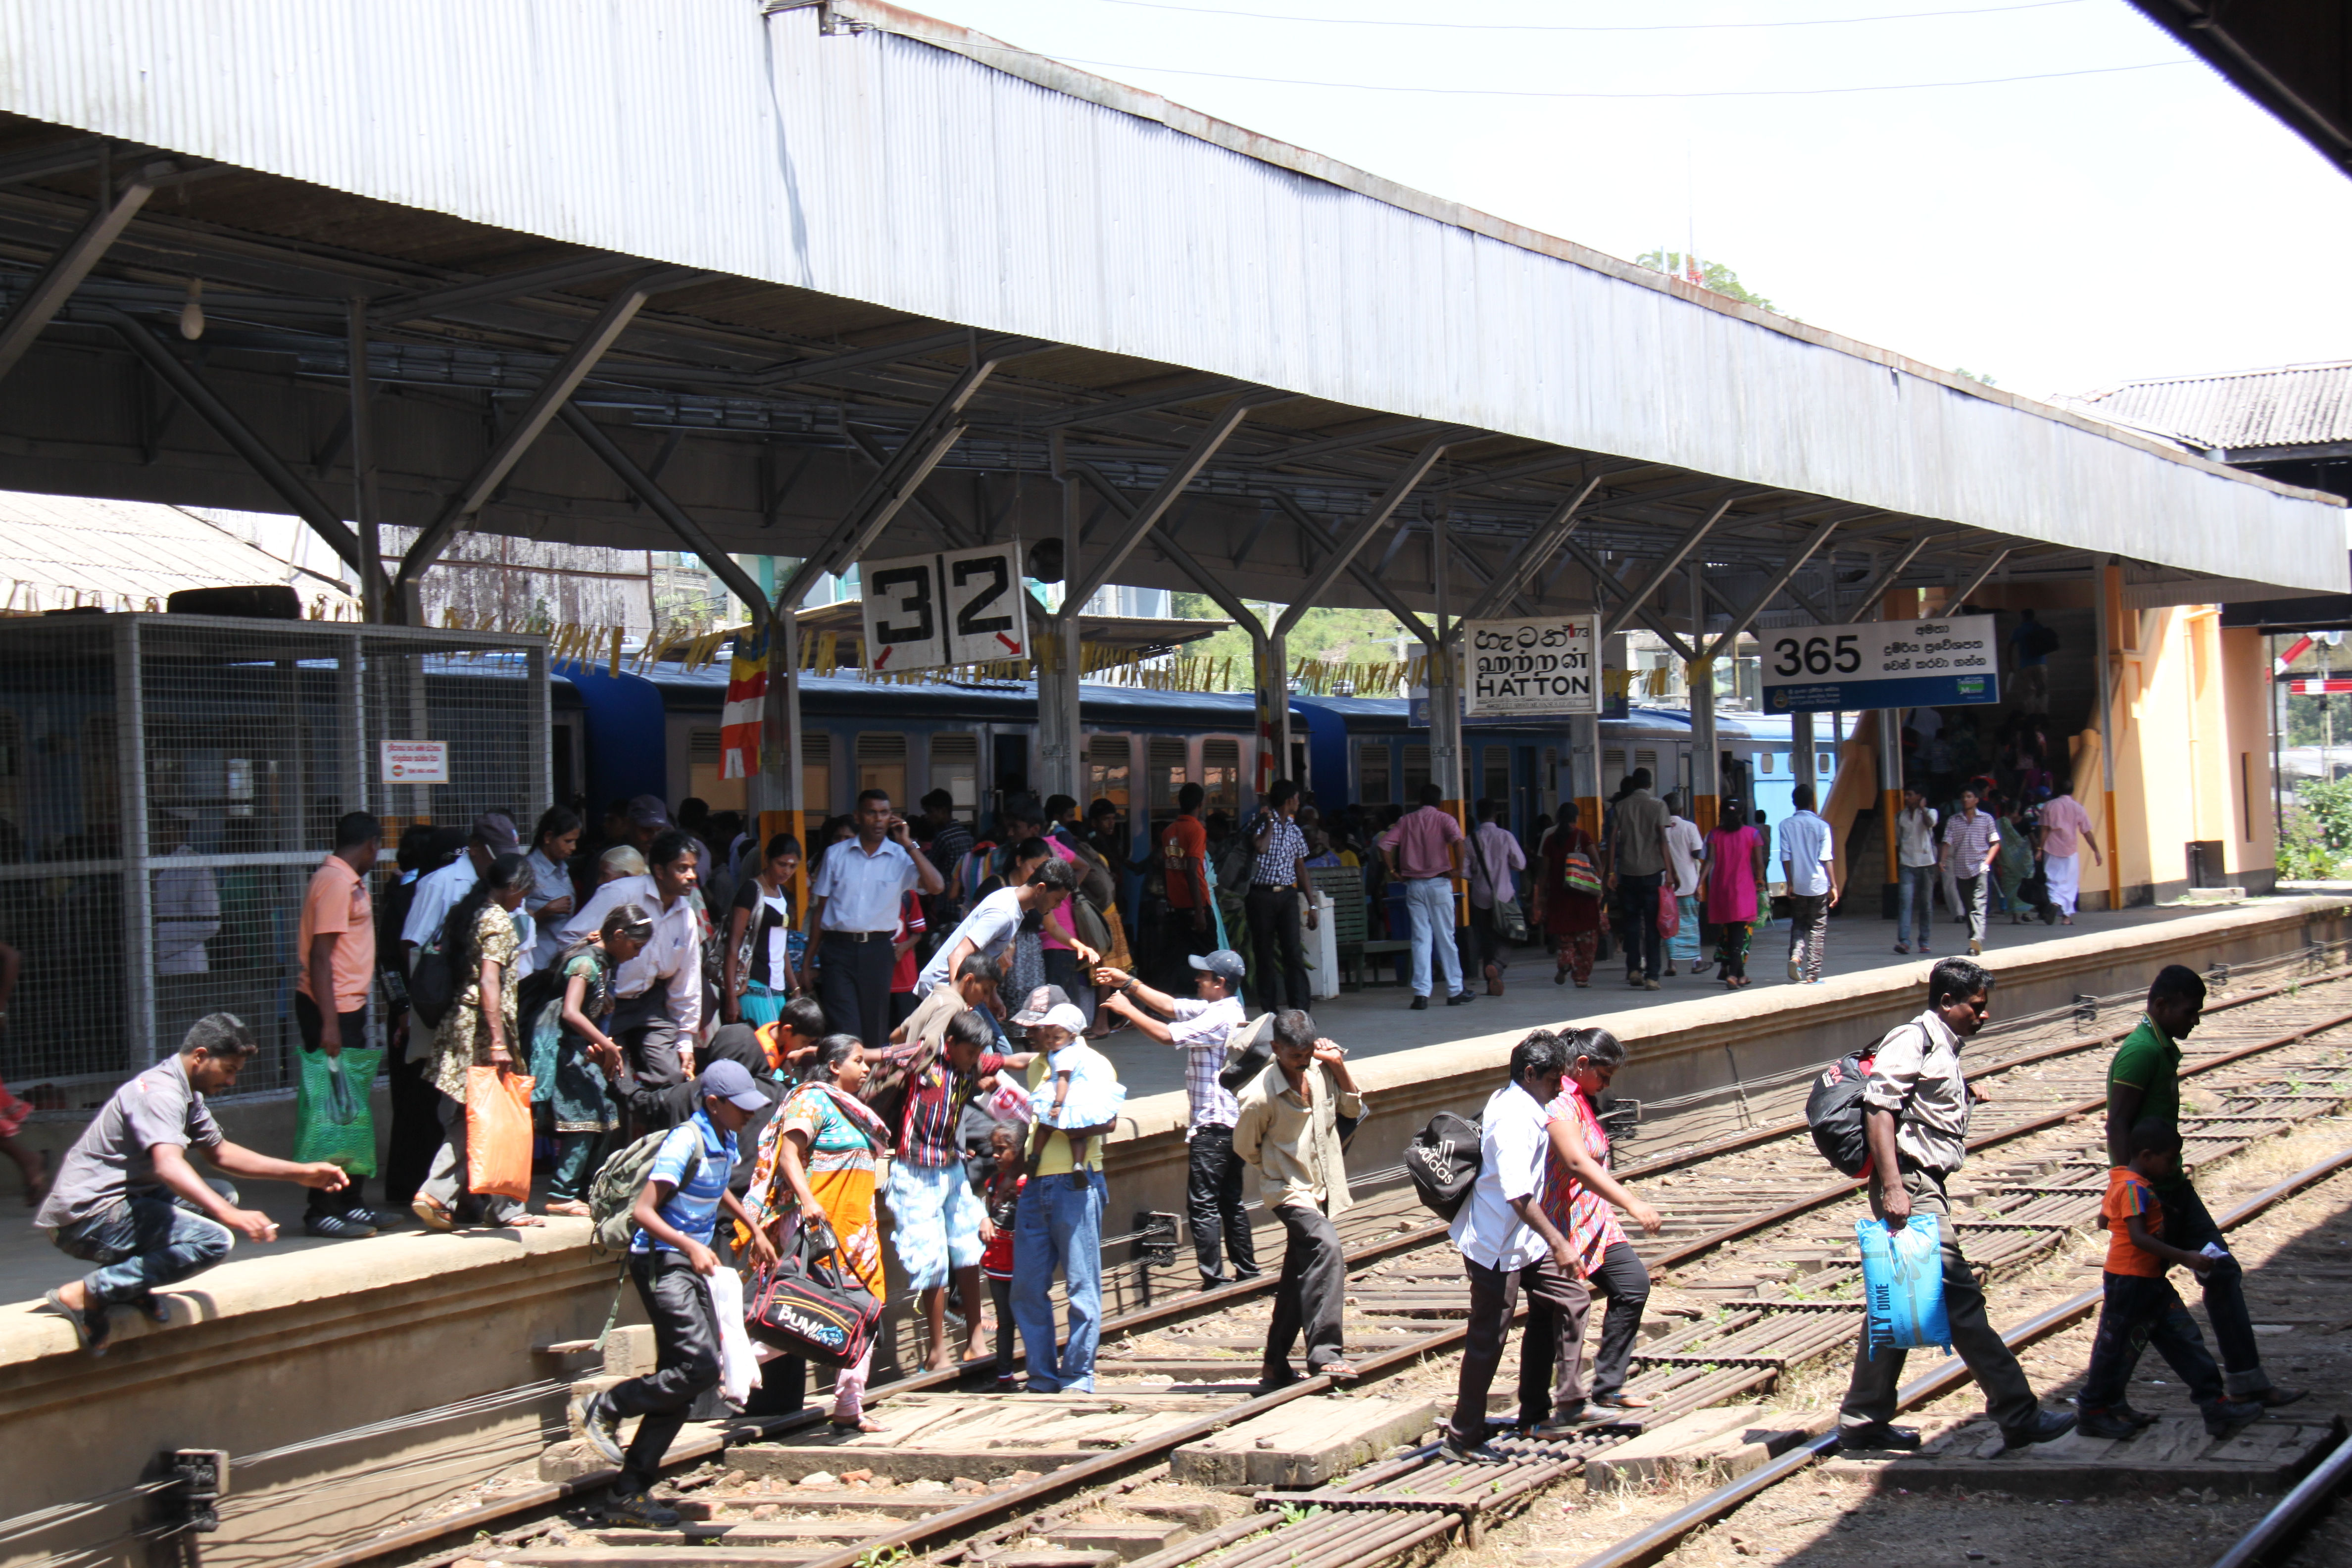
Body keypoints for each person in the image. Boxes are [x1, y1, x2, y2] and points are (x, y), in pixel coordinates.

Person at [1837, 957, 2075, 1452]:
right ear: (1947, 1002)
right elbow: (1879, 1111)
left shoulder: (1943, 1044)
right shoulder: (1913, 1038)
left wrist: (1962, 1092)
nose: (1984, 1015)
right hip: (1912, 1187)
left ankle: (1863, 1420)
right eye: (1977, 1007)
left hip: (1925, 1185)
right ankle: (2018, 1413)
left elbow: (1918, 1100)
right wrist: (1896, 1187)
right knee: (1961, 1301)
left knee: (1900, 1302)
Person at [36, 1014, 350, 1353]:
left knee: (220, 1195)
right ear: (200, 1056)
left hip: (118, 1205)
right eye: (229, 1069)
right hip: (86, 1219)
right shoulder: (160, 1093)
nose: (231, 1082)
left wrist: (300, 1173)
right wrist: (231, 1217)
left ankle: (130, 1287)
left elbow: (221, 1153)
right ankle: (88, 1294)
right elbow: (169, 1166)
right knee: (213, 1240)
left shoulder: (185, 1092)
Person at [572, 1059, 777, 1527]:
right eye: (741, 1108)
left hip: (689, 1265)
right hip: (661, 1264)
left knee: (681, 1386)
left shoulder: (724, 1138)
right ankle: (608, 1406)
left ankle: (628, 1492)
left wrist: (752, 1226)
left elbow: (719, 1187)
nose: (749, 1115)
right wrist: (689, 1245)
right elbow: (645, 1211)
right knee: (699, 1367)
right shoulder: (686, 1138)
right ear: (713, 1103)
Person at [2106, 965, 2303, 1410]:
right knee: (2138, 1298)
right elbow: (2117, 1123)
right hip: (2152, 1194)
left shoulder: (2159, 1047)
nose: (2196, 1020)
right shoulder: (2141, 1053)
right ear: (2162, 1006)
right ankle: (2102, 1399)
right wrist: (2126, 1188)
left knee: (2217, 1273)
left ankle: (2244, 1382)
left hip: (2172, 1187)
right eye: (2190, 1012)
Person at [1441, 1029, 1589, 1462]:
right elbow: (1518, 1196)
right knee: (1489, 1339)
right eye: (1553, 1079)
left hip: (1523, 1242)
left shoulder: (1525, 1104)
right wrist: (1560, 1242)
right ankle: (1462, 1436)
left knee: (1572, 1298)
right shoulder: (1514, 1119)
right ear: (1529, 1073)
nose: (1561, 1087)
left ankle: (1569, 1401)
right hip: (1496, 1247)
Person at [2076, 1121, 2261, 1440]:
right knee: (2116, 1346)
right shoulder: (2134, 1189)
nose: (2174, 1166)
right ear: (2147, 1156)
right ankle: (2092, 1410)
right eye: (2170, 1159)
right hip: (2131, 1282)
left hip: (2148, 1282)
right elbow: (2138, 1239)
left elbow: (2104, 1220)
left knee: (2184, 1338)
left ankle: (2215, 1405)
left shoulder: (2121, 1181)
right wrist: (2184, 1255)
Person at [1521, 1029, 1666, 1418]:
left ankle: (1608, 1387)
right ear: (1582, 1065)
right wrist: (1633, 1203)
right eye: (1604, 1076)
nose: (1606, 1085)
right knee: (1546, 1314)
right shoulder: (1561, 1102)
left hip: (1594, 1219)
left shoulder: (1581, 1098)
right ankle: (1534, 1410)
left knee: (1632, 1285)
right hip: (1560, 1220)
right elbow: (1576, 1162)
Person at [1095, 950, 1255, 1290]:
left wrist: (1128, 1011)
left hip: (1213, 1125)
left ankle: (1214, 1279)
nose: (1197, 980)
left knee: (1204, 1203)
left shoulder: (1218, 1018)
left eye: (1204, 976)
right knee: (1229, 1200)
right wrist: (1130, 983)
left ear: (1220, 983)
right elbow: (1171, 1007)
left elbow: (1169, 1035)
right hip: (1228, 1122)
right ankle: (1247, 1271)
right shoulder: (1224, 1008)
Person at [884, 1007, 1033, 1370]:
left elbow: (1012, 1061)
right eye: (968, 1053)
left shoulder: (973, 1065)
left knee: (967, 1248)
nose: (973, 1062)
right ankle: (937, 1351)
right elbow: (885, 1053)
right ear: (950, 1044)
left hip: (951, 1167)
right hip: (915, 1170)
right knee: (929, 1257)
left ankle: (975, 1341)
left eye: (976, 1056)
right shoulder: (923, 1061)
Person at [1232, 1008, 1365, 1393]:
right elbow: (1246, 1147)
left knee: (1297, 1275)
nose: (1303, 1063)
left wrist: (1338, 1067)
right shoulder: (1260, 1097)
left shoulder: (1319, 1071)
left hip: (1322, 1186)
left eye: (1308, 1055)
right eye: (1295, 1057)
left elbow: (1352, 1109)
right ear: (1276, 1048)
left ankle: (1275, 1364)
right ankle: (1325, 1352)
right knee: (1326, 1246)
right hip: (1288, 1191)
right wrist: (1279, 1168)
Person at [412, 853, 543, 1232]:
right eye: (524, 893)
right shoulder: (498, 920)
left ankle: (472, 1201)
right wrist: (499, 1043)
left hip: (459, 1025)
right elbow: (490, 981)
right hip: (483, 1033)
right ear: (515, 888)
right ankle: (443, 1193)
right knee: (492, 1114)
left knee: (465, 1112)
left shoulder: (468, 911)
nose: (524, 901)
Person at [1010, 991, 1122, 1394]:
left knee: (1081, 1284)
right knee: (1026, 1286)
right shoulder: (1040, 1064)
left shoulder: (1093, 1064)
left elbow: (1106, 1121)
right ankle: (1041, 1373)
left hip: (1077, 1183)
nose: (1035, 1036)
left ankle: (1077, 1374)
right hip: (1037, 1183)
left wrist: (1060, 1123)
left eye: (1040, 1029)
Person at [560, 830, 706, 1100]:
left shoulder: (685, 914)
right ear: (660, 871)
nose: (692, 876)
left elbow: (686, 981)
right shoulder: (620, 894)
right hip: (607, 1002)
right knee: (608, 1082)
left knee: (671, 1078)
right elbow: (570, 938)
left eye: (693, 868)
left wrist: (686, 1039)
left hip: (649, 1002)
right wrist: (597, 981)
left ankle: (663, 1139)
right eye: (682, 868)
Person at [293, 810, 383, 1238]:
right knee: (334, 1113)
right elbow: (320, 956)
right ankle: (322, 1208)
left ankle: (351, 1200)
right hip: (332, 1011)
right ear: (371, 845)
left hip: (346, 1007)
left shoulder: (346, 881)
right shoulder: (334, 883)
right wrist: (329, 1024)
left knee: (352, 1111)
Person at [532, 904, 649, 1216]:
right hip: (563, 1051)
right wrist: (607, 1047)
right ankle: (562, 1193)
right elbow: (570, 1012)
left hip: (580, 1050)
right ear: (619, 935)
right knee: (583, 1118)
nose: (637, 954)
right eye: (636, 946)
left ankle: (587, 1187)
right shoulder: (586, 963)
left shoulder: (602, 963)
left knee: (606, 1111)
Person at [810, 790, 945, 1050]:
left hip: (878, 951)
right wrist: (808, 961)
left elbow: (937, 885)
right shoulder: (835, 855)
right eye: (872, 813)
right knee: (845, 1028)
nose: (878, 819)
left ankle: (870, 1087)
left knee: (875, 1029)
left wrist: (909, 844)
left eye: (884, 813)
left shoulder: (901, 856)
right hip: (838, 949)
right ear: (858, 816)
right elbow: (820, 911)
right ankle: (846, 1085)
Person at [919, 854, 1078, 996]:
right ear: (1041, 888)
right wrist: (956, 1000)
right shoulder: (1003, 914)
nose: (1058, 907)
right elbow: (957, 956)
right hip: (942, 988)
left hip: (959, 987)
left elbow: (983, 959)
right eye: (1058, 900)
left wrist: (993, 998)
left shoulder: (1011, 899)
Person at [1380, 783, 1469, 1010]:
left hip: (1414, 887)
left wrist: (1394, 872)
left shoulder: (1406, 821)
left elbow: (1384, 845)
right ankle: (1455, 990)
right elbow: (1458, 842)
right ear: (1439, 802)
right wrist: (1459, 870)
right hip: (1439, 884)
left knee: (1421, 939)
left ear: (1419, 801)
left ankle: (1421, 994)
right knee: (1446, 938)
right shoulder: (1445, 819)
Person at [151, 809, 222, 1052]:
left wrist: (158, 939)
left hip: (184, 965)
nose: (161, 833)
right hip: (152, 968)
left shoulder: (195, 865)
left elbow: (210, 922)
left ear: (181, 831)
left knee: (186, 1040)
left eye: (168, 828)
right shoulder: (148, 861)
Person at [1242, 781, 1315, 1014]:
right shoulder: (1260, 822)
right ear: (1288, 800)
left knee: (1293, 952)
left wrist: (1312, 905)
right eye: (1296, 797)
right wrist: (1271, 822)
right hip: (1261, 896)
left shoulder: (1294, 830)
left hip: (1287, 896)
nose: (1299, 802)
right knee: (1264, 954)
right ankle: (1270, 1012)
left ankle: (1300, 1010)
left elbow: (1301, 868)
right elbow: (1260, 847)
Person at [725, 834, 803, 1029]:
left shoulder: (784, 894)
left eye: (793, 866)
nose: (787, 871)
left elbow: (781, 946)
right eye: (782, 864)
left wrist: (795, 988)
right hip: (753, 987)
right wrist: (731, 998)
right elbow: (733, 946)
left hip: (778, 990)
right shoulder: (751, 891)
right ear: (767, 859)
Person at [1606, 768, 1672, 990]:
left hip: (1628, 872)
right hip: (1652, 873)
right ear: (1650, 784)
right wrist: (1671, 871)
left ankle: (1634, 969)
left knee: (1632, 924)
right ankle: (1653, 976)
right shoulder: (1659, 806)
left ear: (1634, 784)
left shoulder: (1621, 806)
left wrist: (1611, 872)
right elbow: (1663, 839)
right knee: (1653, 926)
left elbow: (1613, 840)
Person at [1531, 801, 1603, 987]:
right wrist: (1598, 883)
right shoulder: (1583, 836)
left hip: (1559, 896)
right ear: (1576, 818)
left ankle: (1566, 961)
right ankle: (1581, 977)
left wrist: (1541, 897)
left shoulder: (1550, 839)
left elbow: (1544, 872)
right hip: (1583, 896)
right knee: (1587, 938)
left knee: (1565, 937)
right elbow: (1597, 863)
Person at [1700, 799, 1765, 990]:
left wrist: (1699, 884)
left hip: (1720, 888)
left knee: (1730, 930)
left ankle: (1741, 974)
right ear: (1742, 813)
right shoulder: (1753, 834)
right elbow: (1759, 864)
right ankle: (1733, 975)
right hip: (1743, 889)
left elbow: (1710, 860)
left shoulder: (1714, 834)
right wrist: (1760, 879)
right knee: (1738, 932)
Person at [1465, 800, 1526, 997]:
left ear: (1477, 817)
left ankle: (1490, 982)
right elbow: (1521, 864)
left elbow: (1465, 873)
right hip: (1504, 895)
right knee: (1509, 934)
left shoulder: (1470, 840)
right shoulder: (1506, 836)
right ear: (1496, 816)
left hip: (1480, 897)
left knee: (1487, 939)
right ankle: (1497, 967)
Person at [980, 1124, 1025, 1386]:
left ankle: (1041, 1365)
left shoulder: (1026, 1183)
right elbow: (990, 1212)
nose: (996, 1156)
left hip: (1021, 1261)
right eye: (994, 1150)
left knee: (1029, 1314)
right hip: (997, 1262)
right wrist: (985, 1219)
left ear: (1018, 1152)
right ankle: (1004, 1375)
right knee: (1004, 1321)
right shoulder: (992, 1183)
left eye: (1003, 1150)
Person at [1779, 784, 1837, 984]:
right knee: (1818, 928)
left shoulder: (1785, 825)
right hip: (1819, 884)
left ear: (1794, 803)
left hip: (1800, 884)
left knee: (1799, 924)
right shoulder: (1822, 826)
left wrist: (1790, 882)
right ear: (1813, 802)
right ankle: (1812, 974)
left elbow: (1785, 857)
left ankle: (1796, 957)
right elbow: (1826, 858)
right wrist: (1834, 885)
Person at [1159, 781, 1218, 969]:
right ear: (1201, 804)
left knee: (1177, 960)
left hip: (1176, 906)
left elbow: (1167, 867)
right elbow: (1192, 869)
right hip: (1196, 904)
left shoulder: (1168, 832)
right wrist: (1200, 911)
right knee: (1211, 959)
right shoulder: (1197, 830)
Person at [1939, 787, 2001, 957]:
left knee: (1979, 903)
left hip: (1980, 867)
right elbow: (1947, 842)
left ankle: (1977, 939)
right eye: (1963, 797)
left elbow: (1995, 843)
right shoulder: (1954, 821)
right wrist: (1943, 860)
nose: (1965, 800)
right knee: (1968, 907)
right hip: (1961, 869)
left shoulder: (1986, 819)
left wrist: (1987, 863)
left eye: (1969, 797)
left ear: (1976, 800)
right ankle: (1973, 937)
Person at [525, 806, 584, 971]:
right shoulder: (527, 870)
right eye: (568, 841)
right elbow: (512, 921)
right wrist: (544, 912)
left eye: (575, 841)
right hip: (537, 963)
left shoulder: (563, 869)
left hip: (561, 961)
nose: (573, 848)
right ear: (549, 837)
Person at [2037, 779, 2101, 925]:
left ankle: (2054, 903)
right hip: (2070, 849)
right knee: (2070, 882)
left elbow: (2044, 830)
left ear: (2057, 790)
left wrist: (2040, 849)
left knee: (2053, 879)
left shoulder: (2049, 806)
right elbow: (2087, 832)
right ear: (2072, 791)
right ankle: (2067, 917)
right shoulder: (2078, 808)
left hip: (2051, 848)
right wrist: (2096, 851)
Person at [1893, 786, 1940, 956]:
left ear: (1920, 796)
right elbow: (1898, 841)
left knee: (1926, 904)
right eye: (1906, 795)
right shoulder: (1900, 816)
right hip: (1907, 864)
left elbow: (1930, 824)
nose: (1906, 798)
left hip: (1927, 864)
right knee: (1905, 903)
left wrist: (1921, 808)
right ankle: (1904, 941)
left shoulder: (1931, 813)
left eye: (1911, 795)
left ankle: (1924, 941)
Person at [919, 788, 975, 930]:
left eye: (930, 812)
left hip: (947, 903)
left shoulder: (943, 838)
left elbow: (928, 869)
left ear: (942, 811)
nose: (927, 817)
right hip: (967, 902)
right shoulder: (966, 835)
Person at [1662, 795, 1705, 977]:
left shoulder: (1660, 830)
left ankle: (1672, 963)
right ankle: (1696, 962)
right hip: (1688, 883)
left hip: (1667, 885)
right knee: (1691, 924)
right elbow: (1697, 853)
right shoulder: (1690, 827)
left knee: (1670, 925)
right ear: (1681, 810)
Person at [887, 889, 926, 1029]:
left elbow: (918, 933)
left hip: (904, 974)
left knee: (906, 1026)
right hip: (877, 975)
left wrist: (903, 947)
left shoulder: (908, 895)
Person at [2009, 608, 2055, 716]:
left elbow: (2010, 647)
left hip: (2025, 666)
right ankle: (2043, 714)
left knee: (2029, 692)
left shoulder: (2019, 630)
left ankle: (2031, 715)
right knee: (2043, 690)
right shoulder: (2039, 627)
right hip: (2040, 664)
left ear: (2023, 617)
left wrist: (2010, 664)